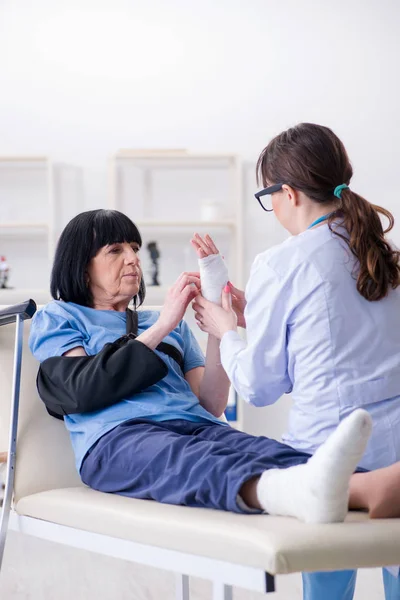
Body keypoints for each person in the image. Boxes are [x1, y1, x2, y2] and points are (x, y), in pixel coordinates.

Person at [28, 209, 400, 528]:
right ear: (81, 264)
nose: (133, 259)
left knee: (259, 450)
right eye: (115, 250)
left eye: (135, 249)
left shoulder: (169, 325)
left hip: (198, 427)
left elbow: (211, 403)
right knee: (191, 462)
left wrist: (219, 329)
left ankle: (370, 484)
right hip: (117, 441)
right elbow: (80, 389)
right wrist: (163, 326)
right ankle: (351, 491)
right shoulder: (60, 317)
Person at [190, 123, 400, 599]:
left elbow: (261, 386)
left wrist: (227, 331)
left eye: (270, 197)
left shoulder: (282, 263)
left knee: (326, 586)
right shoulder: (384, 253)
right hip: (397, 460)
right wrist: (258, 316)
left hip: (331, 457)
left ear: (288, 193)